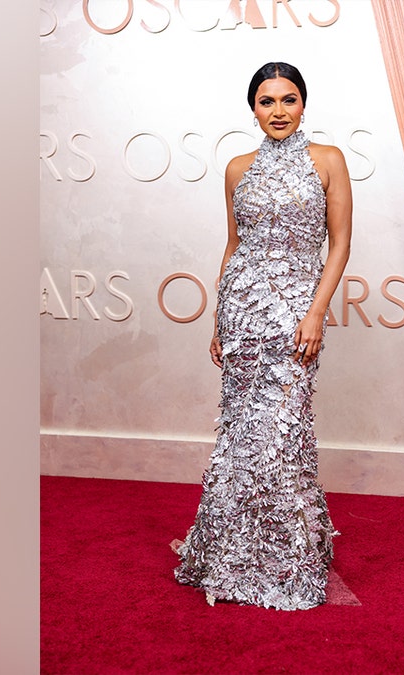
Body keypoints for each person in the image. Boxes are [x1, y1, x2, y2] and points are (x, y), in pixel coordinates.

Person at [173, 62, 353, 610]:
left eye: (288, 99)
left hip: (297, 314)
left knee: (283, 432)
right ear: (252, 108)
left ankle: (287, 556)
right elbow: (234, 246)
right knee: (241, 434)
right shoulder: (236, 168)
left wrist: (317, 312)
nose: (278, 111)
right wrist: (217, 320)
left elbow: (339, 244)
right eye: (267, 101)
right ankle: (231, 550)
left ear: (304, 105)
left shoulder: (328, 161)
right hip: (243, 316)